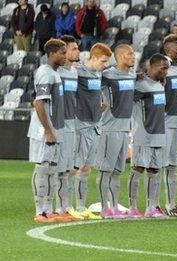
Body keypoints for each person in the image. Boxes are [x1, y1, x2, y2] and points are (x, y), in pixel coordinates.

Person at [27, 39, 67, 223]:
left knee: (51, 169)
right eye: (62, 53)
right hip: (45, 131)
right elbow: (38, 102)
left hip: (55, 129)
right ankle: (39, 211)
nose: (65, 56)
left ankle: (48, 210)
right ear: (51, 54)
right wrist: (48, 131)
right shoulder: (45, 73)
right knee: (43, 167)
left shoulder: (55, 74)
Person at [96, 44, 136, 219]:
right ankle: (105, 209)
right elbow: (90, 87)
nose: (133, 56)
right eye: (130, 54)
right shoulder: (107, 75)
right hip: (109, 129)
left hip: (124, 129)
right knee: (106, 170)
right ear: (119, 57)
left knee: (117, 171)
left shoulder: (133, 75)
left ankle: (115, 207)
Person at [128, 54, 170, 218]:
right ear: (151, 67)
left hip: (159, 134)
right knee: (138, 169)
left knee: (154, 170)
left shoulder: (160, 84)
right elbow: (126, 99)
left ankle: (151, 207)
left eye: (167, 68)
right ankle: (132, 207)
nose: (165, 71)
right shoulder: (140, 84)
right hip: (143, 134)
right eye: (163, 68)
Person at [73, 43, 112, 219]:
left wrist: (100, 108)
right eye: (103, 61)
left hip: (96, 124)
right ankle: (65, 206)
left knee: (86, 168)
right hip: (81, 124)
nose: (105, 65)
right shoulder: (77, 72)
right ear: (93, 58)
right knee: (74, 167)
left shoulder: (98, 74)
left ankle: (81, 207)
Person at [157, 34, 177, 217]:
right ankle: (156, 205)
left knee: (173, 164)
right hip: (163, 121)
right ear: (168, 50)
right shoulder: (161, 67)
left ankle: (171, 204)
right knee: (161, 164)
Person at [54, 35, 84, 221]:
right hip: (59, 123)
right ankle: (58, 208)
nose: (77, 52)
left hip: (72, 122)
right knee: (59, 167)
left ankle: (66, 206)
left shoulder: (75, 72)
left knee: (69, 168)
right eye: (74, 49)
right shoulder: (55, 72)